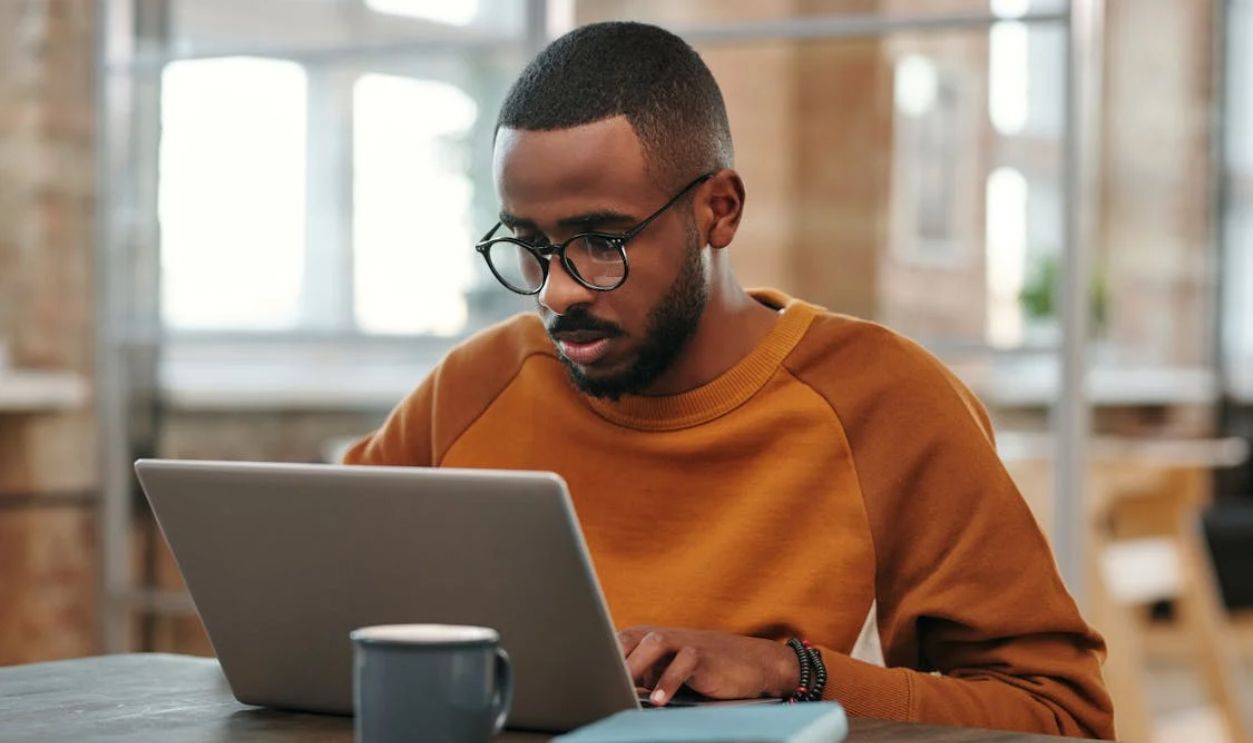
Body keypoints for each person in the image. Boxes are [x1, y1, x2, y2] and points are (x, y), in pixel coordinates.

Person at [344, 21, 1115, 739]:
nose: (556, 291)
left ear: (719, 209)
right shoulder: (477, 382)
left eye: (599, 240)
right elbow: (313, 597)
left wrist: (793, 672)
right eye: (530, 244)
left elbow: (1059, 714)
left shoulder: (883, 398)